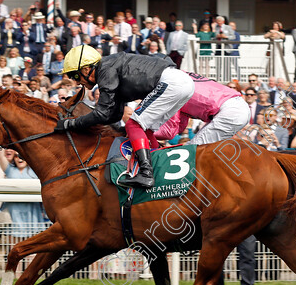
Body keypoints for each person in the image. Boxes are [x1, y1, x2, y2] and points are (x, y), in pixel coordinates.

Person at [55, 45, 194, 189]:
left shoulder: (105, 70)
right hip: (182, 83)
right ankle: (158, 165)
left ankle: (146, 174)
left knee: (133, 125)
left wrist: (71, 124)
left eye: (75, 76)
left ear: (85, 69)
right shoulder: (112, 68)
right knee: (145, 130)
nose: (77, 82)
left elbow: (102, 113)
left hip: (172, 83)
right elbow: (113, 115)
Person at [153, 74, 249, 145]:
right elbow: (180, 126)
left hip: (230, 111)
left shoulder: (170, 87)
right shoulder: (179, 77)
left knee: (192, 149)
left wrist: (144, 132)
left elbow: (168, 132)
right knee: (201, 149)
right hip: (236, 108)